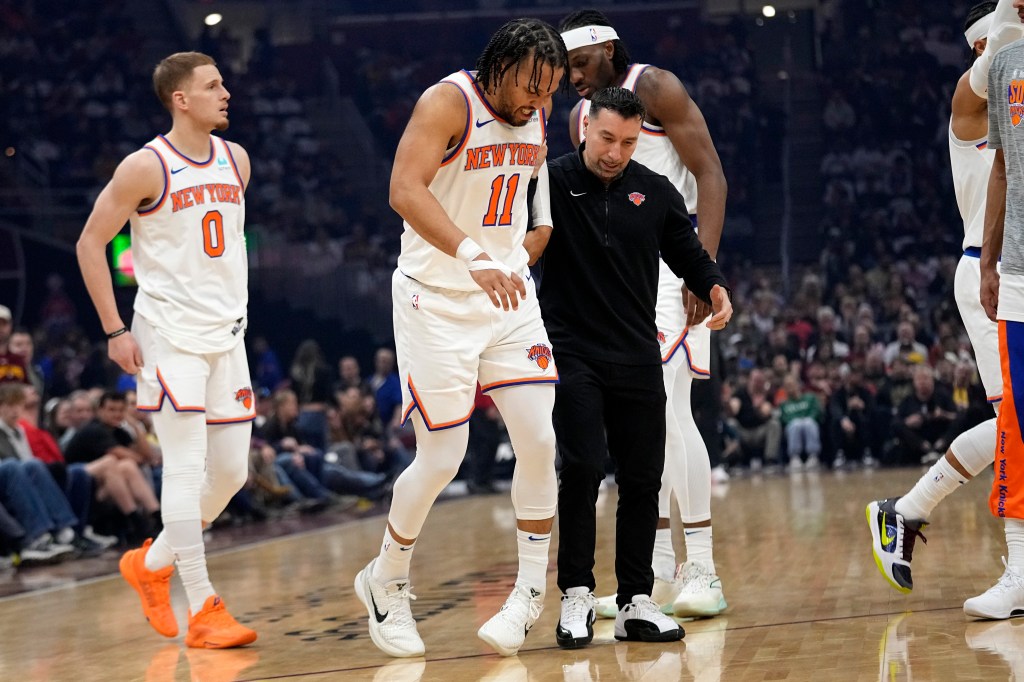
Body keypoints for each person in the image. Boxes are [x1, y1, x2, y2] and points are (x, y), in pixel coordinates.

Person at [353, 18, 565, 658]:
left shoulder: (536, 108)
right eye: (530, 84)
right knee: (443, 456)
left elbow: (537, 215)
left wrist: (517, 258)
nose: (537, 99)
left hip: (506, 296)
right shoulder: (448, 102)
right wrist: (475, 254)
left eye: (548, 88)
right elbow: (402, 189)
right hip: (436, 299)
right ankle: (386, 578)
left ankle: (530, 593)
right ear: (498, 64)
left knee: (539, 438)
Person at [532, 87, 732, 648]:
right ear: (584, 128)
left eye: (626, 142)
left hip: (638, 351)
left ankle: (635, 601)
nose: (615, 152)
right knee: (583, 470)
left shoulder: (657, 190)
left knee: (643, 478)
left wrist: (712, 283)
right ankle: (573, 594)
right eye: (605, 139)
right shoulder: (549, 182)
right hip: (573, 351)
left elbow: (686, 251)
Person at [76, 51, 257, 648]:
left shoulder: (237, 160)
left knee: (230, 474)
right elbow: (90, 244)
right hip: (168, 335)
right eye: (212, 85)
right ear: (181, 98)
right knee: (183, 468)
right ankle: (203, 608)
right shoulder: (145, 166)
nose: (225, 92)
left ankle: (148, 565)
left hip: (226, 336)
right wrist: (114, 330)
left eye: (223, 83)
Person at [867, 0, 1023, 602]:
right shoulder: (969, 109)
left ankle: (905, 510)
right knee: (1015, 419)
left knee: (1014, 420)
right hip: (990, 274)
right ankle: (1010, 563)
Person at [971, 0, 1024, 619]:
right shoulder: (1005, 61)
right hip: (1016, 270)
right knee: (1015, 422)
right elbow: (1005, 169)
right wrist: (988, 261)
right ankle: (1017, 571)